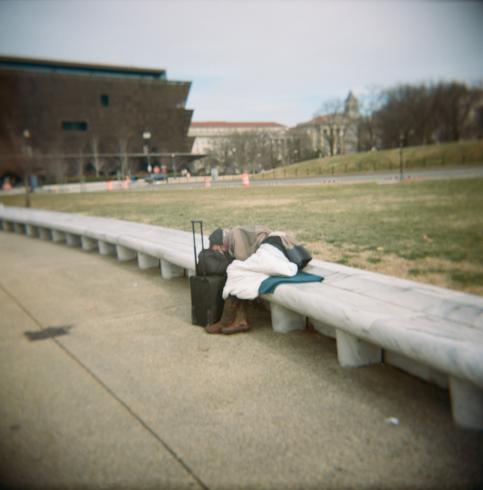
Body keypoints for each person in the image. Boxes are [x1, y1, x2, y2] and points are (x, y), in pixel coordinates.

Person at [205, 225, 271, 335]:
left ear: (220, 242)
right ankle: (239, 320)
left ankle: (229, 320)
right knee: (237, 275)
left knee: (238, 275)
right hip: (265, 257)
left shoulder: (235, 234)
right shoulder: (232, 238)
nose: (218, 250)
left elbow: (242, 259)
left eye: (216, 246)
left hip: (271, 257)